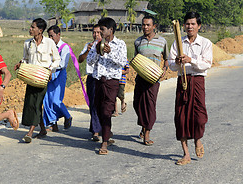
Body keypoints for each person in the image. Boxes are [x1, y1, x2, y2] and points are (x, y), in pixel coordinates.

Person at [168, 11, 212, 165]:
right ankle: (185, 153)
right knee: (181, 117)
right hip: (183, 81)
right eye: (187, 24)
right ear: (184, 26)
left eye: (193, 24)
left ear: (199, 26)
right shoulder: (178, 43)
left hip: (198, 81)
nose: (190, 26)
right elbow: (171, 65)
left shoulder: (205, 43)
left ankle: (198, 140)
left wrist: (190, 60)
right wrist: (178, 62)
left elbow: (207, 63)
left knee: (199, 117)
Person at [14, 18, 61, 143]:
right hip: (31, 77)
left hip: (43, 78)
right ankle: (42, 129)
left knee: (36, 102)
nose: (30, 29)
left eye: (33, 27)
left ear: (40, 30)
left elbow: (57, 59)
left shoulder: (49, 43)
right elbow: (25, 59)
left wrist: (51, 70)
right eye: (31, 27)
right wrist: (20, 64)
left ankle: (30, 132)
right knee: (31, 103)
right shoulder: (27, 43)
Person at [87, 17, 127, 154]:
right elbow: (89, 61)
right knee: (98, 108)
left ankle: (104, 142)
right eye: (99, 30)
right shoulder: (96, 44)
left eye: (103, 30)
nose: (101, 32)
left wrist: (110, 53)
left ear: (111, 30)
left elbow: (122, 62)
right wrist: (98, 52)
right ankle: (107, 133)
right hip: (98, 80)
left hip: (112, 81)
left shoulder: (120, 44)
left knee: (107, 110)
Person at [133, 16, 169, 146]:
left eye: (148, 25)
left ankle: (147, 133)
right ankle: (143, 125)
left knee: (150, 106)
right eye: (143, 25)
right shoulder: (138, 42)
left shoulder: (162, 41)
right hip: (140, 78)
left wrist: (164, 69)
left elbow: (166, 58)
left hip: (153, 79)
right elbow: (136, 59)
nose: (145, 27)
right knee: (137, 104)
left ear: (154, 26)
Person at [43, 25, 73, 132]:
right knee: (47, 99)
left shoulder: (64, 47)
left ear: (58, 35)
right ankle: (52, 124)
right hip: (49, 74)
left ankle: (67, 115)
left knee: (56, 100)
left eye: (52, 36)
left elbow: (63, 64)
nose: (50, 38)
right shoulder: (47, 46)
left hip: (59, 74)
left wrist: (51, 67)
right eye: (48, 36)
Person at [78, 24, 102, 141]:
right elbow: (80, 59)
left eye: (98, 32)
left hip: (103, 78)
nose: (96, 35)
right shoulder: (88, 45)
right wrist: (87, 51)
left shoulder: (106, 45)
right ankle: (96, 130)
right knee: (93, 103)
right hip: (92, 77)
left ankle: (102, 127)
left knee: (103, 104)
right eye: (94, 32)